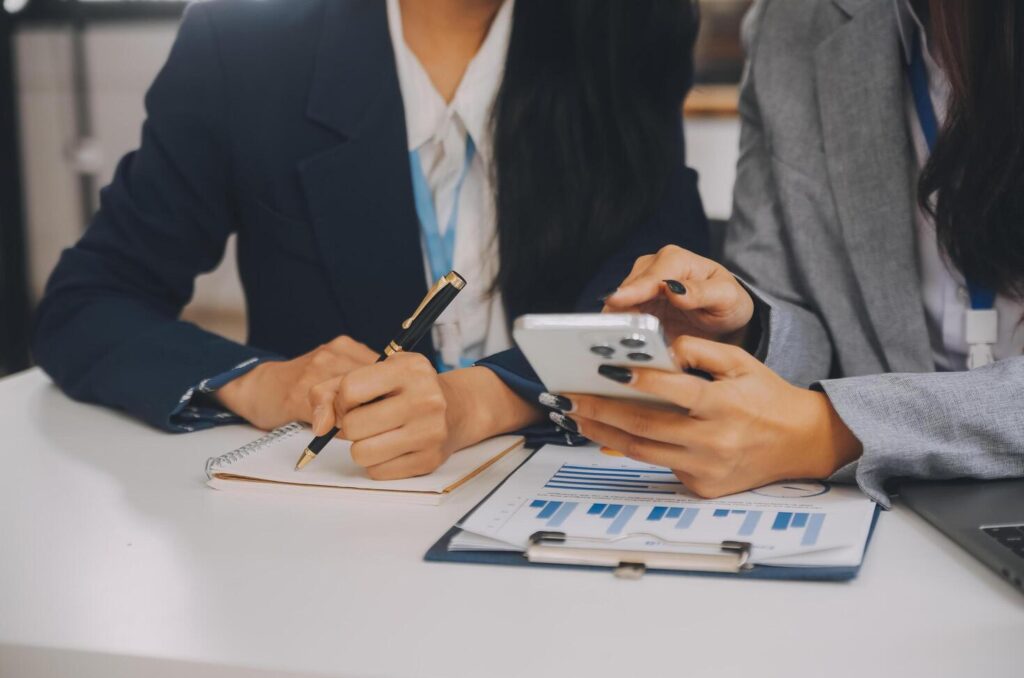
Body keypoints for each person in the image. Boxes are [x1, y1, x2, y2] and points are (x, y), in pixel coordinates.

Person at [32, 0, 708, 479]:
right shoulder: (242, 38)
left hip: (567, 500)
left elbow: (657, 307)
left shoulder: (632, 24)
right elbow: (88, 302)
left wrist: (477, 400)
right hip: (338, 517)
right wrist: (261, 383)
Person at [544, 0, 1024, 506]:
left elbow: (818, 416)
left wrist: (830, 430)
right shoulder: (793, 23)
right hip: (885, 514)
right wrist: (747, 328)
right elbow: (817, 328)